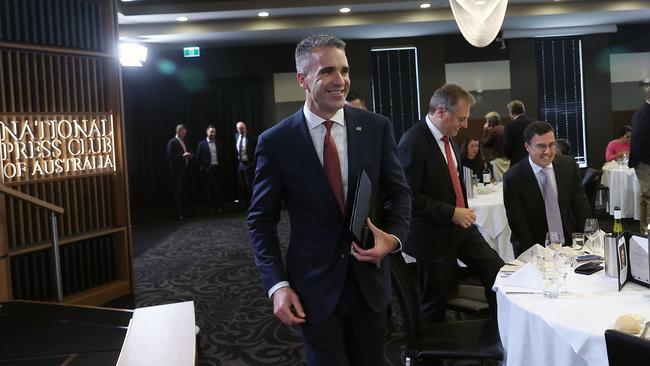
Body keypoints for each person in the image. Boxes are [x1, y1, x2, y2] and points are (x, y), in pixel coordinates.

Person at [248, 34, 411, 366]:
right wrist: (277, 285)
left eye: (345, 70)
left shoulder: (376, 128)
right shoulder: (277, 142)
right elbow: (261, 222)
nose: (341, 81)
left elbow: (399, 194)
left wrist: (392, 239)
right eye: (327, 72)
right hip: (313, 287)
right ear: (302, 80)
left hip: (370, 283)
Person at [397, 83, 504, 324]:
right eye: (462, 118)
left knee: (498, 271)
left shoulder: (449, 137)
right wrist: (450, 212)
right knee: (434, 301)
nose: (465, 125)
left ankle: (501, 335)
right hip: (432, 236)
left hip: (461, 230)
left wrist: (460, 212)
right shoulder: (413, 142)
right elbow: (407, 197)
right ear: (441, 112)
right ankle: (427, 354)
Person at [503, 121, 590, 256]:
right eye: (541, 146)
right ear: (527, 147)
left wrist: (586, 240)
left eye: (551, 145)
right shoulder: (513, 177)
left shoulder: (568, 165)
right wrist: (536, 254)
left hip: (568, 242)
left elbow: (580, 205)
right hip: (532, 246)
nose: (548, 152)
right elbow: (518, 222)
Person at [628, 87, 650, 233]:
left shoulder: (643, 111)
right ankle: (647, 230)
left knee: (645, 197)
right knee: (649, 197)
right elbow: (639, 142)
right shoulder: (645, 114)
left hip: (642, 162)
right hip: (645, 163)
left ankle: (644, 229)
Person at [166, 124, 192, 220]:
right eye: (183, 133)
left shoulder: (186, 141)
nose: (184, 134)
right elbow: (170, 156)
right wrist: (182, 156)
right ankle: (178, 213)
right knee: (178, 193)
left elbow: (189, 151)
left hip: (186, 170)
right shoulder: (172, 142)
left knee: (185, 191)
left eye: (185, 133)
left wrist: (190, 155)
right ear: (178, 131)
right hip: (177, 172)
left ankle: (185, 212)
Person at [195, 125, 222, 213]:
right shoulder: (201, 144)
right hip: (207, 170)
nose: (212, 134)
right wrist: (202, 168)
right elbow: (198, 158)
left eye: (214, 132)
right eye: (211, 132)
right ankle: (210, 207)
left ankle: (218, 207)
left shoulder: (218, 143)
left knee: (217, 189)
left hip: (217, 168)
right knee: (208, 190)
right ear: (207, 132)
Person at [502, 100, 535, 165]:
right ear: (523, 110)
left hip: (517, 162)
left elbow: (506, 148)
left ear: (511, 112)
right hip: (533, 161)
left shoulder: (510, 126)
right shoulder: (533, 123)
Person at [482, 111, 509, 181]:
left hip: (498, 160)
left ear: (490, 122)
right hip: (507, 159)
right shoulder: (503, 128)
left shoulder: (493, 131)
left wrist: (485, 130)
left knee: (499, 181)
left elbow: (485, 143)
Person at [235, 121, 256, 204]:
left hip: (249, 163)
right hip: (241, 163)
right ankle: (245, 203)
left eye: (243, 128)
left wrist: (253, 162)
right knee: (242, 184)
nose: (241, 130)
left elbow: (256, 149)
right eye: (239, 129)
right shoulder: (236, 136)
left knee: (249, 185)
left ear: (245, 127)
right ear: (237, 129)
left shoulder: (251, 137)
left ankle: (252, 203)